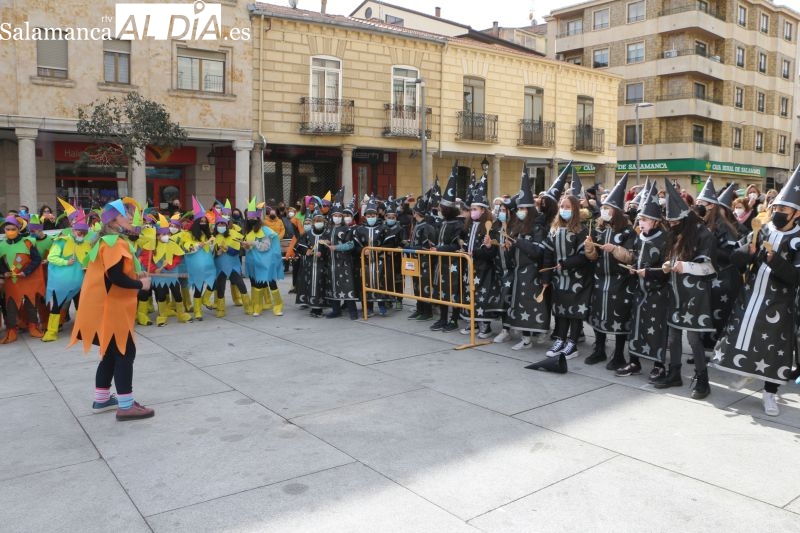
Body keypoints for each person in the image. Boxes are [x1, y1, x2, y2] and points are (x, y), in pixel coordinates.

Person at [711, 167, 800, 416]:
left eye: (783, 210)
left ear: (797, 213)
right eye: (777, 209)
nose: (778, 213)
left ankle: (770, 393)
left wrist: (774, 259)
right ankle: (748, 372)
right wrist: (748, 251)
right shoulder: (763, 228)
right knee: (744, 336)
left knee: (774, 348)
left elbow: (795, 277)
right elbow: (735, 257)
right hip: (751, 296)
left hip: (780, 302)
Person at [69, 199, 154, 421]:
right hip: (112, 308)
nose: (130, 218)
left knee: (110, 353)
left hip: (103, 307)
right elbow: (115, 278)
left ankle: (102, 398)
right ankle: (126, 406)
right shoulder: (115, 243)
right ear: (114, 220)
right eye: (126, 214)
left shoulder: (105, 241)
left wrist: (137, 276)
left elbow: (114, 274)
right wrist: (140, 284)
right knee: (125, 352)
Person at [653, 179, 716, 400]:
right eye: (668, 221)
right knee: (673, 336)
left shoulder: (703, 234)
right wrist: (667, 265)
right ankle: (674, 374)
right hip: (675, 291)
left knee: (694, 339)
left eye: (673, 221)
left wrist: (684, 266)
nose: (670, 224)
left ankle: (703, 380)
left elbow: (708, 267)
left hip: (694, 295)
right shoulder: (674, 232)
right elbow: (672, 258)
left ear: (684, 218)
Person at [584, 174, 637, 371]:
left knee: (619, 317)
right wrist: (589, 248)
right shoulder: (598, 229)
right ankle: (599, 349)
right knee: (599, 314)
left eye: (607, 208)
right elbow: (592, 257)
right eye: (603, 207)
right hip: (601, 279)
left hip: (619, 280)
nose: (604, 211)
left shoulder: (627, 232)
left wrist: (615, 250)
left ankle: (619, 354)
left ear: (616, 211)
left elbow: (632, 257)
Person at [496, 168, 551, 349]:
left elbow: (538, 251)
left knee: (529, 306)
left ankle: (528, 339)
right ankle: (525, 337)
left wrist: (518, 243)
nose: (519, 211)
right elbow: (514, 251)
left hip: (532, 274)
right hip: (519, 272)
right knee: (518, 304)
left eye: (522, 208)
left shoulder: (537, 228)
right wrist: (509, 248)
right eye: (518, 208)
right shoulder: (516, 227)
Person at [623, 182, 670, 381]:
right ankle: (634, 361)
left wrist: (648, 273)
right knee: (635, 326)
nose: (641, 223)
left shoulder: (666, 238)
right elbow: (634, 256)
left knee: (656, 329)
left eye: (646, 219)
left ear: (656, 221)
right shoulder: (638, 236)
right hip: (638, 290)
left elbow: (667, 268)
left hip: (657, 292)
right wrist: (632, 267)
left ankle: (659, 364)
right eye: (640, 219)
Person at [42, 206, 95, 341]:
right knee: (56, 307)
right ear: (73, 229)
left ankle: (82, 330)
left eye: (84, 232)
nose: (81, 234)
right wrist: (65, 262)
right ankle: (51, 332)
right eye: (79, 231)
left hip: (79, 281)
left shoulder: (88, 242)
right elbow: (51, 258)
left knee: (80, 306)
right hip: (62, 282)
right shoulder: (62, 240)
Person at [429, 170, 466, 332]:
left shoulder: (458, 224)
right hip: (441, 262)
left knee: (453, 291)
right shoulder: (443, 223)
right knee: (441, 291)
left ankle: (454, 320)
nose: (440, 209)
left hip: (453, 264)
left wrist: (439, 248)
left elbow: (457, 245)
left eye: (443, 207)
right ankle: (442, 318)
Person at [0, 215, 45, 342]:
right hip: (12, 281)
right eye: (7, 229)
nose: (10, 231)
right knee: (11, 306)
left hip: (27, 279)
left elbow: (36, 259)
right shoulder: (1, 245)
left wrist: (26, 272)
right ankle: (11, 331)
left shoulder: (27, 242)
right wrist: (4, 272)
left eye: (12, 229)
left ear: (18, 229)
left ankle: (33, 327)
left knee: (31, 304)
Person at [242, 198, 284, 317]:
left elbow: (266, 246)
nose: (251, 220)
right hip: (254, 262)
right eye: (249, 218)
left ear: (257, 218)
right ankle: (257, 307)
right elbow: (250, 248)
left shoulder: (265, 230)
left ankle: (278, 306)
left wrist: (253, 243)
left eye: (253, 218)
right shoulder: (249, 232)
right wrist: (246, 245)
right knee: (257, 284)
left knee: (271, 283)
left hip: (266, 261)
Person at [322, 190, 359, 320]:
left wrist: (336, 247)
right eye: (335, 215)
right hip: (331, 262)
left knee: (346, 285)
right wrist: (325, 242)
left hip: (344, 263)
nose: (336, 217)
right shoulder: (328, 228)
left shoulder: (346, 229)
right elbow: (325, 241)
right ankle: (335, 310)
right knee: (333, 285)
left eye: (339, 215)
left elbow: (350, 245)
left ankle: (353, 311)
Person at [181, 197, 218, 321]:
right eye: (201, 221)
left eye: (204, 221)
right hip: (196, 265)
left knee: (214, 282)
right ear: (196, 222)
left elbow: (211, 250)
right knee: (198, 287)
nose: (203, 223)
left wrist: (212, 244)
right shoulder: (188, 234)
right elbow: (186, 248)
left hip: (208, 264)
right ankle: (197, 311)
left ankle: (205, 299)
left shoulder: (207, 234)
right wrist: (197, 245)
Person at [294, 211, 329, 317]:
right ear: (313, 222)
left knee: (321, 285)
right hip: (310, 265)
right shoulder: (308, 234)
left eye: (320, 221)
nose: (319, 223)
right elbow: (299, 245)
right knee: (311, 285)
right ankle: (313, 307)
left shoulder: (327, 233)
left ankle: (320, 308)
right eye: (316, 221)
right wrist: (307, 251)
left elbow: (332, 247)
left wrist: (322, 252)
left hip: (323, 265)